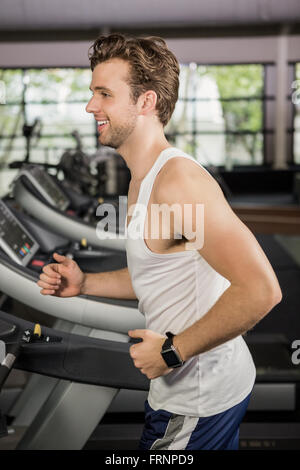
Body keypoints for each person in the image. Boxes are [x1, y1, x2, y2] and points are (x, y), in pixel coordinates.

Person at [37, 34, 282, 450]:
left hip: (196, 400)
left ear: (146, 102)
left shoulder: (176, 181)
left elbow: (261, 290)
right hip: (199, 389)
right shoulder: (144, 180)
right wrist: (86, 284)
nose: (90, 106)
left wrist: (172, 352)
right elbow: (158, 274)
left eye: (104, 94)